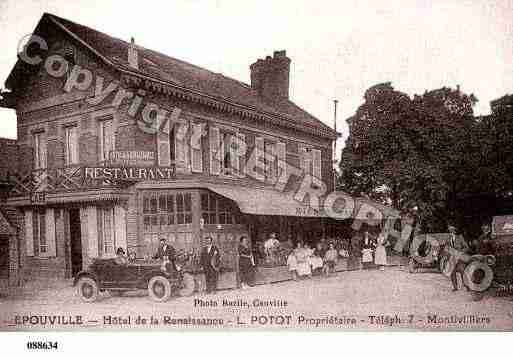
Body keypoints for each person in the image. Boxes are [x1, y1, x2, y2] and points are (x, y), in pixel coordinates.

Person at [447, 224, 469, 291]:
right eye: (449, 230)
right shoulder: (448, 239)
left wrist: (460, 252)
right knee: (452, 273)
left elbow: (466, 247)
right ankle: (455, 287)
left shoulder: (460, 237)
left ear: (455, 231)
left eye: (452, 230)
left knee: (463, 271)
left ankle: (466, 286)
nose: (451, 232)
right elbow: (447, 249)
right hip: (452, 259)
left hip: (459, 258)